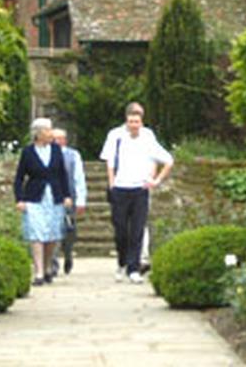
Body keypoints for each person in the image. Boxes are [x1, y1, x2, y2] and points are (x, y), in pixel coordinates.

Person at [99, 102, 173, 284]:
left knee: (137, 230)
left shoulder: (148, 137)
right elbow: (109, 162)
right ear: (126, 121)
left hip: (140, 189)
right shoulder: (115, 135)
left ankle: (134, 269)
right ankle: (122, 262)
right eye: (131, 121)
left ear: (141, 122)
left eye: (137, 121)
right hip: (120, 188)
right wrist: (112, 184)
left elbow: (168, 160)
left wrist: (155, 181)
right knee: (121, 231)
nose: (134, 125)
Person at [14, 118, 73, 286]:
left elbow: (62, 174)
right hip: (34, 197)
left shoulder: (56, 150)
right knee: (36, 233)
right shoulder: (28, 152)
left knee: (52, 235)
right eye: (48, 130)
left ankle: (47, 267)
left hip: (54, 197)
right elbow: (19, 178)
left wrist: (67, 196)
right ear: (38, 133)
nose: (51, 133)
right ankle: (39, 271)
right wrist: (19, 199)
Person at [51, 128, 86, 274]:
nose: (56, 142)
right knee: (53, 230)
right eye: (54, 139)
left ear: (64, 140)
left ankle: (68, 253)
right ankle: (52, 264)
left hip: (69, 198)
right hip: (51, 198)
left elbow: (79, 178)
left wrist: (80, 199)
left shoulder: (73, 156)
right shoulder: (47, 155)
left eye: (59, 139)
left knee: (68, 230)